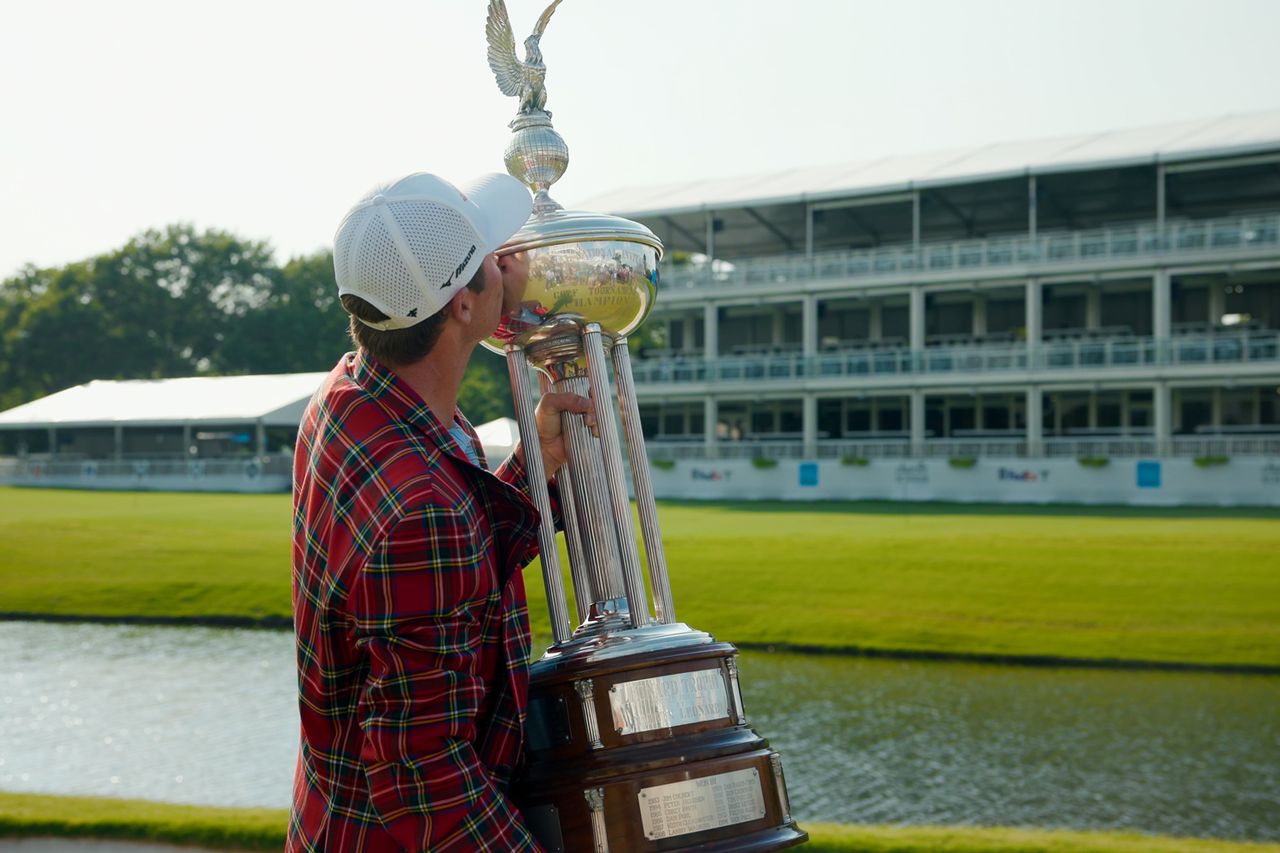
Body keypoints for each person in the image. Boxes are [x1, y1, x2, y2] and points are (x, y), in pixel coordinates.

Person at [288, 171, 584, 851]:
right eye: (490, 255)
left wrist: (534, 468)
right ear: (458, 306)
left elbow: (450, 572)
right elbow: (426, 779)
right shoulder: (424, 505)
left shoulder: (354, 395)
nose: (508, 260)